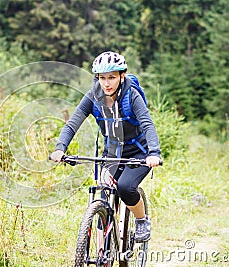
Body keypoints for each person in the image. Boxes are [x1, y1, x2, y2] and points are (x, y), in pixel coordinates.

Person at [50, 51, 161, 242]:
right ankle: (105, 252)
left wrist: (154, 153)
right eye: (102, 78)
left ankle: (142, 220)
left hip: (139, 153)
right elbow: (73, 123)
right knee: (104, 195)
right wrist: (60, 148)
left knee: (125, 187)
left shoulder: (131, 96)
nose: (107, 83)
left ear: (121, 76)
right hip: (112, 153)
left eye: (111, 77)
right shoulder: (93, 96)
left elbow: (147, 124)